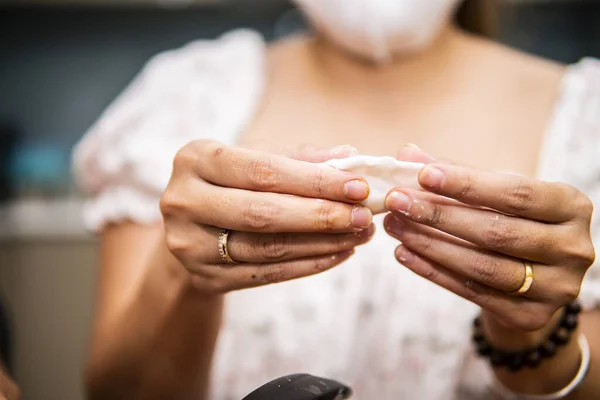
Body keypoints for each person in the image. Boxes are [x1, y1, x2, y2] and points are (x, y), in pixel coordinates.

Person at [72, 0, 600, 399]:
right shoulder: (183, 99)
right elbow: (119, 391)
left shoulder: (586, 118)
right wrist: (183, 275)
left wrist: (532, 333)